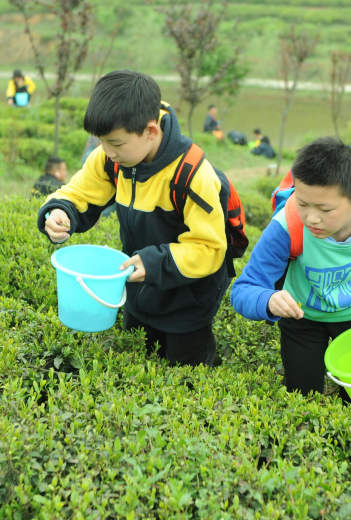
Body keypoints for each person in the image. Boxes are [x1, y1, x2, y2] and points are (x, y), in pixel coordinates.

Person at [37, 70, 231, 368]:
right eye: (101, 142)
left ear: (151, 131)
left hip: (187, 304)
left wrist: (153, 263)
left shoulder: (192, 174)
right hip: (136, 293)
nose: (108, 152)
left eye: (116, 143)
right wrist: (60, 211)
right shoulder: (111, 159)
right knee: (137, 373)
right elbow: (79, 192)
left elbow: (209, 248)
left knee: (187, 382)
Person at [231, 137, 351, 403]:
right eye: (303, 203)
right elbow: (242, 290)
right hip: (302, 320)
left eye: (325, 208)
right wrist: (269, 299)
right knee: (303, 401)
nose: (311, 218)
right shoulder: (287, 225)